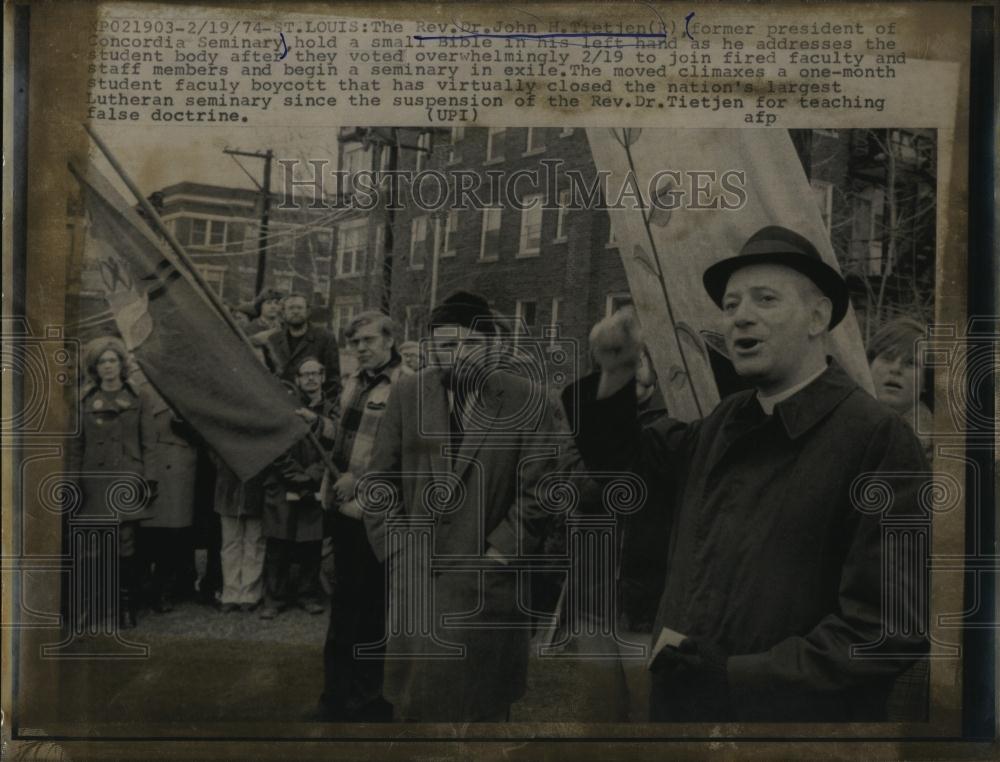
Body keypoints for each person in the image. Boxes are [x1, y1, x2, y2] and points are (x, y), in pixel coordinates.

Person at [570, 226, 930, 722]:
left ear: (817, 316)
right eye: (732, 303)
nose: (741, 316)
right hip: (681, 716)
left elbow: (884, 629)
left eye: (765, 299)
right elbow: (620, 462)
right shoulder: (725, 422)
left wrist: (736, 677)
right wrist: (613, 371)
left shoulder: (878, 442)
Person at [363, 291, 566, 722]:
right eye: (447, 345)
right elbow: (380, 479)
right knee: (417, 708)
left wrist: (499, 554)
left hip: (488, 585)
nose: (459, 357)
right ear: (432, 348)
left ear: (492, 346)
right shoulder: (408, 394)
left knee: (482, 712)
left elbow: (540, 489)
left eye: (470, 344)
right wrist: (398, 550)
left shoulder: (529, 399)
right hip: (419, 579)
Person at [317, 312, 406, 722]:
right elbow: (341, 436)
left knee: (371, 612)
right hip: (341, 511)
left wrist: (363, 479)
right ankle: (334, 697)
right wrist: (315, 423)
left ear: (390, 340)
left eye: (368, 340)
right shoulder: (353, 382)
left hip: (377, 515)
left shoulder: (407, 385)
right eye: (354, 342)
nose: (361, 348)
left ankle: (369, 701)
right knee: (343, 609)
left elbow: (406, 453)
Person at [67, 336, 155, 630]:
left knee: (125, 546)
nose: (108, 367)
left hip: (127, 477)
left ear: (121, 364)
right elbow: (76, 445)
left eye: (112, 360)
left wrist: (148, 478)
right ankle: (92, 606)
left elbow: (149, 441)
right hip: (94, 481)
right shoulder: (84, 400)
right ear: (95, 367)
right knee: (93, 548)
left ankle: (125, 606)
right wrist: (73, 481)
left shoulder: (137, 397)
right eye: (102, 362)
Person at [259, 356, 335, 619]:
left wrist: (313, 475)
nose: (311, 378)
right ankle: (274, 598)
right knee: (278, 543)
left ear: (323, 377)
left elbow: (334, 449)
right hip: (283, 482)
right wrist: (294, 475)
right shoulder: (285, 406)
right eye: (306, 374)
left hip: (316, 483)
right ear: (298, 379)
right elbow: (276, 445)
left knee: (311, 545)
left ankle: (308, 595)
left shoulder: (333, 410)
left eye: (316, 373)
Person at [136, 379, 200, 613]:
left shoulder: (187, 388)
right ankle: (143, 589)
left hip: (178, 468)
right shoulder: (139, 386)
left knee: (173, 533)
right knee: (143, 533)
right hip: (145, 463)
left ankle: (164, 589)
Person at [867, 317, 933, 459]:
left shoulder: (937, 449)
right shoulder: (841, 423)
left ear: (925, 383)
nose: (896, 369)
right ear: (868, 365)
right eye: (888, 358)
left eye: (910, 363)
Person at [265, 293, 342, 400]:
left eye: (300, 308)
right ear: (283, 313)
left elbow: (333, 378)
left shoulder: (325, 338)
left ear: (308, 311)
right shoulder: (273, 340)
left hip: (313, 404)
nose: (295, 311)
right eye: (291, 308)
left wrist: (321, 407)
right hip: (281, 403)